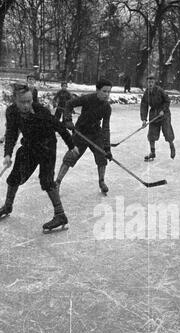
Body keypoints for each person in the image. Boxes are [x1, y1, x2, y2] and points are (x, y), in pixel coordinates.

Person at [0, 83, 79, 231]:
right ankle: (8, 206)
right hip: (29, 146)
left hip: (47, 146)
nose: (26, 105)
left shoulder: (40, 111)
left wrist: (71, 146)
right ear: (14, 100)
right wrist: (8, 153)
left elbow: (59, 126)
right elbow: (11, 133)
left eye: (29, 101)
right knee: (14, 177)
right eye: (22, 102)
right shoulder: (11, 112)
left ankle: (60, 215)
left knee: (46, 180)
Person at [55, 78, 113, 194]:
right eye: (104, 91)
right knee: (71, 157)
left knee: (102, 157)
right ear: (97, 90)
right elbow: (69, 104)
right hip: (80, 133)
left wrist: (107, 147)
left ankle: (101, 181)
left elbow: (106, 128)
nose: (107, 94)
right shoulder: (87, 99)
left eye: (109, 92)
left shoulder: (107, 107)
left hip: (96, 134)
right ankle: (57, 182)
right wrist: (67, 119)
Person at [140, 75, 175, 161]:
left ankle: (171, 146)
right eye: (149, 82)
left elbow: (167, 100)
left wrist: (163, 110)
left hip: (164, 114)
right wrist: (144, 119)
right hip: (154, 114)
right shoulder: (146, 93)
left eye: (152, 82)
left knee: (167, 132)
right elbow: (144, 106)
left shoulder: (160, 90)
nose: (150, 84)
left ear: (154, 82)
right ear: (147, 83)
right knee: (151, 134)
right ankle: (152, 152)